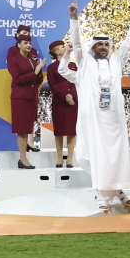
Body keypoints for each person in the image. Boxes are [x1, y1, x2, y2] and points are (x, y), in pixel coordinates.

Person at [58, 0, 130, 211]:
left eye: (106, 44)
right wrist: (73, 18)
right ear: (94, 47)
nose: (104, 47)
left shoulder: (116, 60)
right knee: (93, 157)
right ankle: (105, 195)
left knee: (115, 157)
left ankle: (116, 190)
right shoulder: (85, 62)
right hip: (93, 120)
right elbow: (77, 43)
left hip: (113, 120)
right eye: (100, 44)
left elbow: (128, 43)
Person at [8, 25, 44, 169]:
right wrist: (34, 73)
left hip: (31, 95)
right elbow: (18, 79)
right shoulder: (14, 57)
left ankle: (24, 157)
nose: (29, 45)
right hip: (20, 97)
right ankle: (23, 158)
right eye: (25, 43)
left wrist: (39, 72)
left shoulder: (32, 57)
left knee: (28, 128)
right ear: (18, 44)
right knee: (21, 129)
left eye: (30, 43)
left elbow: (37, 79)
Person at [45, 40, 76, 169]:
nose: (66, 48)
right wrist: (65, 96)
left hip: (73, 102)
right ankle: (59, 157)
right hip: (59, 102)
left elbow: (77, 81)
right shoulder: (51, 68)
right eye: (63, 47)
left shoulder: (73, 65)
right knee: (59, 131)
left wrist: (72, 96)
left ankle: (69, 158)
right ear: (57, 51)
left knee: (71, 131)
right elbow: (53, 85)